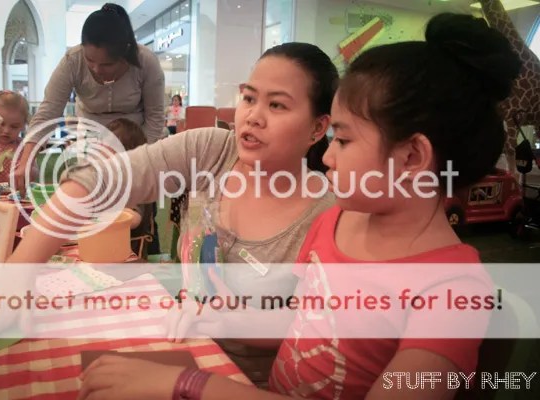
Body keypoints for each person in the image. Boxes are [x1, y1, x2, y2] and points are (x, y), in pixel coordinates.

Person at [75, 13, 521, 400]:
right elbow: (301, 323)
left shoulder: (451, 292)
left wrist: (189, 384)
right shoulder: (336, 222)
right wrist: (215, 319)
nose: (327, 158)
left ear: (411, 157)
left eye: (343, 140)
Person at [0, 41, 337, 383]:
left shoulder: (329, 215)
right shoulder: (212, 151)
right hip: (174, 343)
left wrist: (220, 318)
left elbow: (312, 327)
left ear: (318, 128)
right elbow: (92, 183)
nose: (253, 116)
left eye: (277, 105)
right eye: (249, 98)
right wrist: (13, 284)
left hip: (244, 382)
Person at [13, 2, 165, 193]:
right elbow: (48, 113)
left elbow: (155, 118)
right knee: (90, 195)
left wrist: (139, 158)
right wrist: (27, 160)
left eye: (107, 64)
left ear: (125, 54)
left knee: (133, 200)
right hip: (90, 141)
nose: (96, 69)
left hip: (135, 141)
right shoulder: (72, 60)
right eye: (90, 60)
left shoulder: (146, 61)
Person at [106, 117, 156, 258]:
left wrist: (106, 215)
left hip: (130, 253)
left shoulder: (136, 183)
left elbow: (134, 218)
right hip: (108, 247)